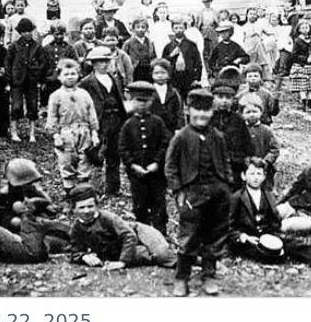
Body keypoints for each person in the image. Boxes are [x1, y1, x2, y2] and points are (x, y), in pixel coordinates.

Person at [165, 89, 234, 297]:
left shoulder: (217, 137)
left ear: (211, 112)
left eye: (206, 111)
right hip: (192, 195)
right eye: (197, 110)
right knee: (189, 238)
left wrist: (227, 185)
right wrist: (178, 192)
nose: (202, 115)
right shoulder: (181, 137)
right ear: (188, 110)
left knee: (214, 236)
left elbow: (226, 161)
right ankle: (181, 277)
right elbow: (170, 167)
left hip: (217, 193)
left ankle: (209, 275)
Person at [229, 159, 311, 269]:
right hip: (249, 240)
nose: (255, 178)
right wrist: (243, 236)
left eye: (259, 174)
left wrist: (275, 231)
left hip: (267, 234)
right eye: (252, 174)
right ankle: (277, 258)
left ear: (264, 176)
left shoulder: (267, 195)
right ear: (243, 176)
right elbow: (229, 226)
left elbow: (273, 220)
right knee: (262, 251)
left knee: (295, 243)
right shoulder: (237, 198)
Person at [68, 186, 175, 269]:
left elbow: (129, 235)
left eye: (90, 206)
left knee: (163, 256)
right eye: (81, 208)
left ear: (96, 206)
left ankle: (184, 258)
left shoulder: (108, 218)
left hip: (139, 233)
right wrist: (84, 256)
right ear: (74, 209)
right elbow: (75, 250)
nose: (86, 211)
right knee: (147, 258)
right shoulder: (76, 228)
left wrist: (122, 262)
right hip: (120, 247)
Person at [118, 81, 171, 236]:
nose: (141, 104)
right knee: (140, 205)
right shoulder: (128, 124)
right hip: (137, 174)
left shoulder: (158, 122)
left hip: (156, 174)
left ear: (151, 101)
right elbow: (122, 148)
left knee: (159, 205)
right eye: (137, 101)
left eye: (145, 101)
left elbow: (164, 143)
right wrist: (133, 165)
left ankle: (161, 235)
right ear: (131, 101)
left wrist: (157, 163)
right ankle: (144, 235)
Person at [46, 58, 100, 195]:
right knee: (67, 160)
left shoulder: (84, 94)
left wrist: (94, 133)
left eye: (73, 74)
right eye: (66, 74)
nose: (70, 77)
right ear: (59, 76)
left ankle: (83, 193)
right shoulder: (56, 96)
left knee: (84, 160)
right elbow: (52, 117)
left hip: (84, 131)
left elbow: (91, 114)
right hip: (66, 133)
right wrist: (55, 135)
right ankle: (69, 193)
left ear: (78, 75)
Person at [79, 47, 128, 195]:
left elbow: (120, 99)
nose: (105, 64)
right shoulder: (86, 82)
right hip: (99, 121)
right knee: (97, 155)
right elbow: (83, 105)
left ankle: (113, 189)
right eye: (101, 61)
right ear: (93, 63)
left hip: (116, 120)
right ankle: (96, 189)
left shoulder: (114, 79)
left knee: (115, 155)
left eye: (107, 61)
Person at [5, 17, 50, 144]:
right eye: (24, 31)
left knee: (33, 106)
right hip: (17, 80)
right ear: (20, 33)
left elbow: (43, 64)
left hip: (31, 81)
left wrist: (38, 76)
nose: (27, 34)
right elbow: (8, 63)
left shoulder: (37, 47)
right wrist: (9, 80)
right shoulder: (14, 46)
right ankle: (14, 132)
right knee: (16, 106)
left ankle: (32, 133)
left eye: (29, 31)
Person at [240, 97, 279, 188]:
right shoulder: (239, 130)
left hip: (264, 168)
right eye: (248, 112)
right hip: (245, 167)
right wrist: (243, 160)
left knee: (264, 190)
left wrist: (266, 161)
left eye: (255, 111)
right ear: (242, 114)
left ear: (261, 112)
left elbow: (275, 149)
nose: (252, 115)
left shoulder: (266, 130)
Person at [162, 15, 203, 101]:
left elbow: (198, 62)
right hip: (174, 79)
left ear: (185, 28)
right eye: (176, 28)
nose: (178, 30)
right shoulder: (168, 47)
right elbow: (163, 64)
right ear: (172, 29)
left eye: (181, 28)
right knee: (176, 100)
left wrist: (196, 78)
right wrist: (171, 56)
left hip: (188, 78)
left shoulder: (191, 45)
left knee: (189, 100)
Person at [42, 21, 79, 106]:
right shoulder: (46, 48)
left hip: (65, 78)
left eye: (61, 34)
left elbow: (75, 63)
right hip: (50, 79)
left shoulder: (70, 48)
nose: (59, 36)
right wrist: (43, 79)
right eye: (57, 34)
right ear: (52, 34)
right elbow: (43, 64)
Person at [288, 20, 311, 110]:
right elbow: (294, 55)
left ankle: (310, 105)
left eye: (307, 27)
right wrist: (305, 59)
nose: (305, 29)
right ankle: (303, 104)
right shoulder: (297, 41)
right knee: (303, 86)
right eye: (303, 28)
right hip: (301, 66)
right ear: (299, 29)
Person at [149, 59, 185, 133]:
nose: (160, 76)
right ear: (152, 74)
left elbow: (179, 113)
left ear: (168, 74)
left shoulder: (174, 93)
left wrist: (179, 129)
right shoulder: (149, 92)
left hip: (171, 130)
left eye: (163, 73)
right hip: (153, 130)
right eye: (156, 73)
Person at [123, 17, 157, 82]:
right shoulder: (128, 43)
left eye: (143, 27)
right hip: (135, 70)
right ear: (133, 29)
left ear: (146, 29)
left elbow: (154, 57)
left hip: (148, 70)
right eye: (138, 27)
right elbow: (124, 59)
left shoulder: (150, 43)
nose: (140, 30)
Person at [194, 0, 219, 74]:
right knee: (204, 51)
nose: (207, 3)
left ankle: (214, 69)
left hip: (212, 32)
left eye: (208, 1)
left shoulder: (215, 12)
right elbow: (197, 25)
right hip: (203, 32)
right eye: (205, 2)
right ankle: (207, 70)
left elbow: (218, 24)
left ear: (211, 2)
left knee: (213, 51)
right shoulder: (200, 13)